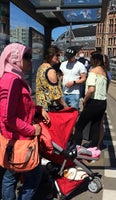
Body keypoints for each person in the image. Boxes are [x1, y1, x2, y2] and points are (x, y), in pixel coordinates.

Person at [0, 42, 50, 200]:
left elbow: (21, 107)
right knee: (29, 176)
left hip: (16, 138)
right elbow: (7, 116)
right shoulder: (12, 81)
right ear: (14, 59)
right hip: (19, 139)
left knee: (12, 175)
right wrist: (32, 130)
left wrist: (38, 109)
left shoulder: (14, 78)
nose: (30, 60)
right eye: (26, 57)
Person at [72, 51, 108, 148]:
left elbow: (91, 89)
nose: (90, 61)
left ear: (94, 60)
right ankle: (93, 148)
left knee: (79, 125)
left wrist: (85, 100)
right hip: (102, 102)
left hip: (93, 102)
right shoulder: (104, 72)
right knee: (95, 126)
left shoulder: (93, 72)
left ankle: (76, 147)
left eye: (91, 59)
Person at [36, 45, 67, 111]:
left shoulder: (41, 67)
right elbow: (56, 95)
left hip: (41, 106)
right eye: (57, 55)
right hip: (50, 108)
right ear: (50, 55)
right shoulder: (51, 71)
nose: (59, 57)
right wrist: (66, 107)